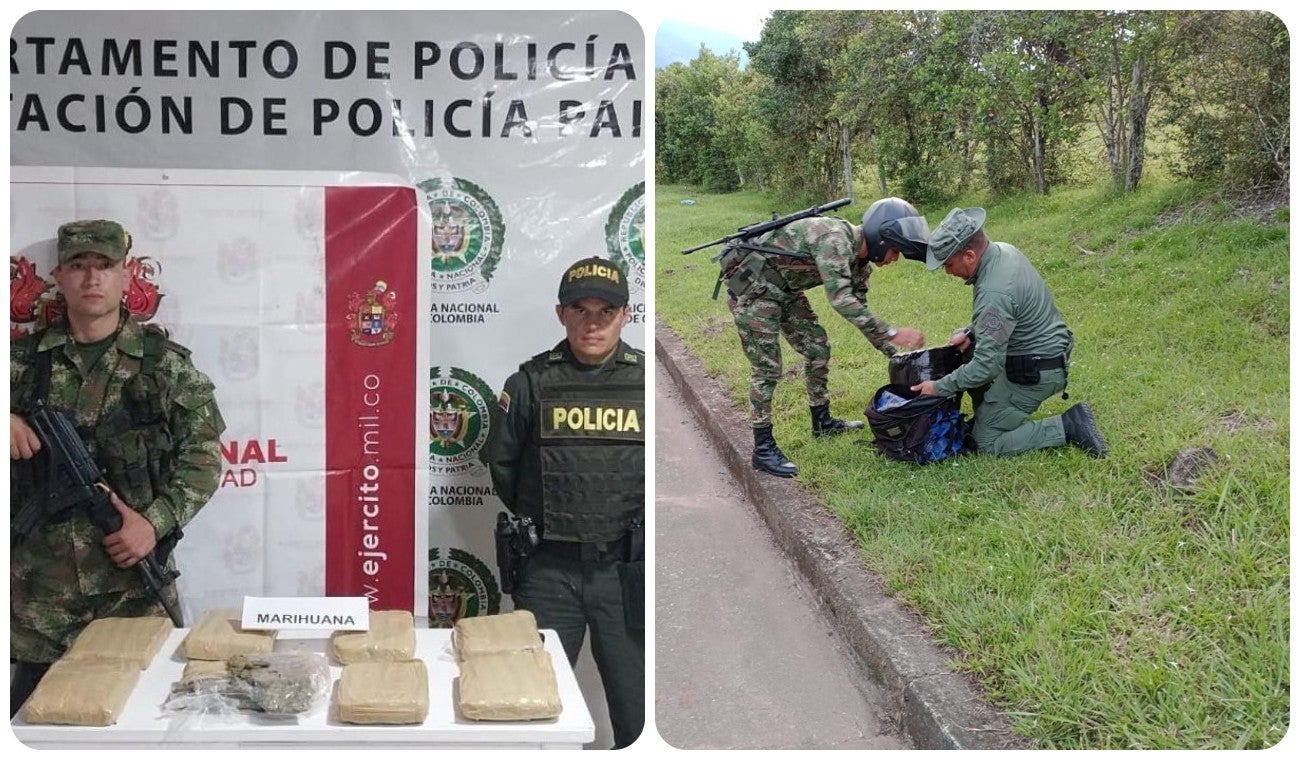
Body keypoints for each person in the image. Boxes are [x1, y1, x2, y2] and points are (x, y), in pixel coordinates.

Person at [9, 219, 226, 717]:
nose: (92, 279)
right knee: (32, 730)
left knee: (144, 728)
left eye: (104, 266)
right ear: (58, 277)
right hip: (37, 603)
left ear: (127, 275)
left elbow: (203, 457)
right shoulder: (17, 363)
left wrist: (153, 524)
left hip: (132, 593)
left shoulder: (163, 365)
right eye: (78, 266)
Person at [480, 256, 644, 748]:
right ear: (560, 314)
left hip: (625, 573)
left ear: (625, 315)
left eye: (606, 311)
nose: (592, 323)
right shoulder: (528, 383)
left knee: (636, 722)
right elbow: (504, 470)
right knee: (533, 718)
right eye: (580, 310)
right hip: (549, 571)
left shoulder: (646, 383)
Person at [720, 197, 929, 478]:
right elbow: (841, 300)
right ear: (881, 239)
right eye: (895, 251)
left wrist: (895, 354)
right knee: (768, 369)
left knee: (818, 349)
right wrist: (893, 332)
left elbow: (860, 312)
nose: (895, 259)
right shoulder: (835, 240)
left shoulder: (860, 263)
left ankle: (822, 421)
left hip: (785, 290)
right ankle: (763, 449)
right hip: (752, 291)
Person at [912, 207, 1107, 458]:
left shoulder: (994, 292)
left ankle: (1068, 425)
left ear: (969, 255)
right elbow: (1010, 313)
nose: (948, 272)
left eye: (948, 264)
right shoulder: (1003, 251)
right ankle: (991, 414)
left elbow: (986, 367)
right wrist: (972, 333)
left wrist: (938, 387)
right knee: (968, 348)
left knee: (984, 443)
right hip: (1043, 355)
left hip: (1036, 371)